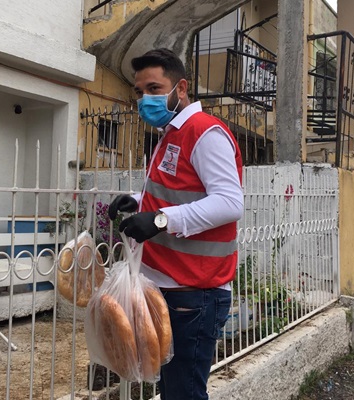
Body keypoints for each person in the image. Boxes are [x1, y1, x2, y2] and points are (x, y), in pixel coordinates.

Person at [108, 48, 244, 400]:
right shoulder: (172, 132)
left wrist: (160, 219)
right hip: (170, 289)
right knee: (171, 391)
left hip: (195, 292)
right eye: (140, 92)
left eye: (154, 88)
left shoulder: (204, 132)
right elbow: (180, 194)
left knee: (183, 393)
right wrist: (138, 203)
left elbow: (230, 203)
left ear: (180, 88)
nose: (144, 99)